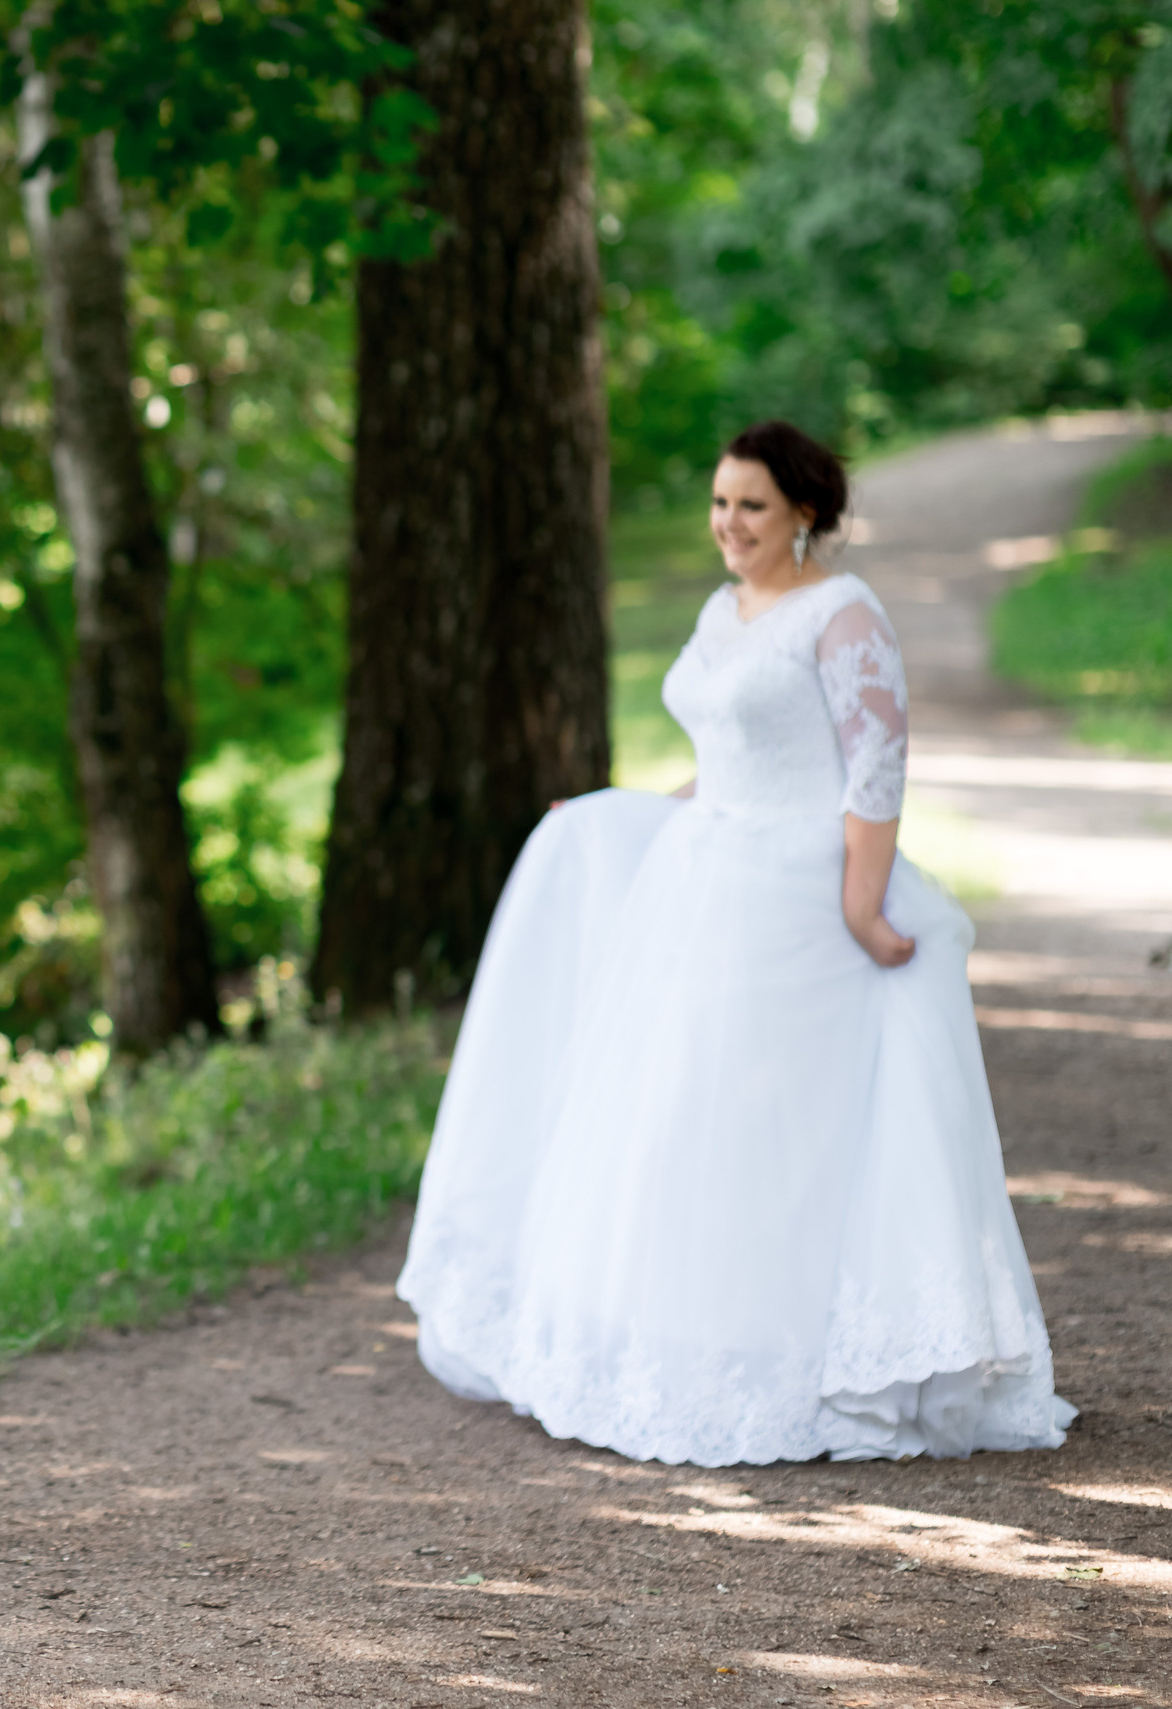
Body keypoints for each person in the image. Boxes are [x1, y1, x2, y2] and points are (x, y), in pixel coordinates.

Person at [396, 420, 1076, 1467]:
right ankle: (689, 1342)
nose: (727, 524)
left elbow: (874, 765)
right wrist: (618, 817)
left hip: (795, 890)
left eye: (749, 505)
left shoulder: (844, 614)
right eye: (719, 503)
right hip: (701, 877)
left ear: (804, 510)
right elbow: (725, 763)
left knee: (771, 1126)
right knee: (675, 1118)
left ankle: (798, 1359)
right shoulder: (725, 606)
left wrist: (860, 904)